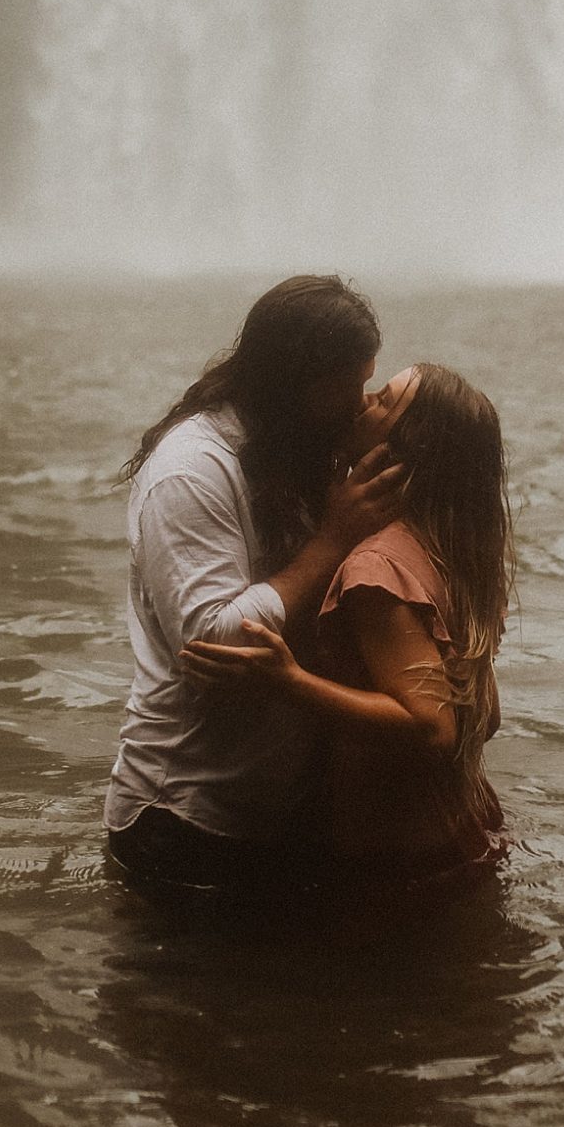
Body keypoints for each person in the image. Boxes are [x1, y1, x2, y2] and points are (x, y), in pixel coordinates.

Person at [104, 273, 420, 892]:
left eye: (367, 385)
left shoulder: (298, 445)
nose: (359, 405)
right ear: (293, 384)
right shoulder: (191, 472)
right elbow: (213, 642)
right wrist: (332, 539)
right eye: (346, 389)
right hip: (185, 819)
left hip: (282, 811)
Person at [182, 363, 512, 891]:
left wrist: (290, 681)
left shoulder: (377, 568)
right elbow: (486, 716)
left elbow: (432, 727)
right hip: (462, 827)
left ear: (400, 451)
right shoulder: (456, 554)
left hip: (393, 854)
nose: (361, 403)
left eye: (382, 401)